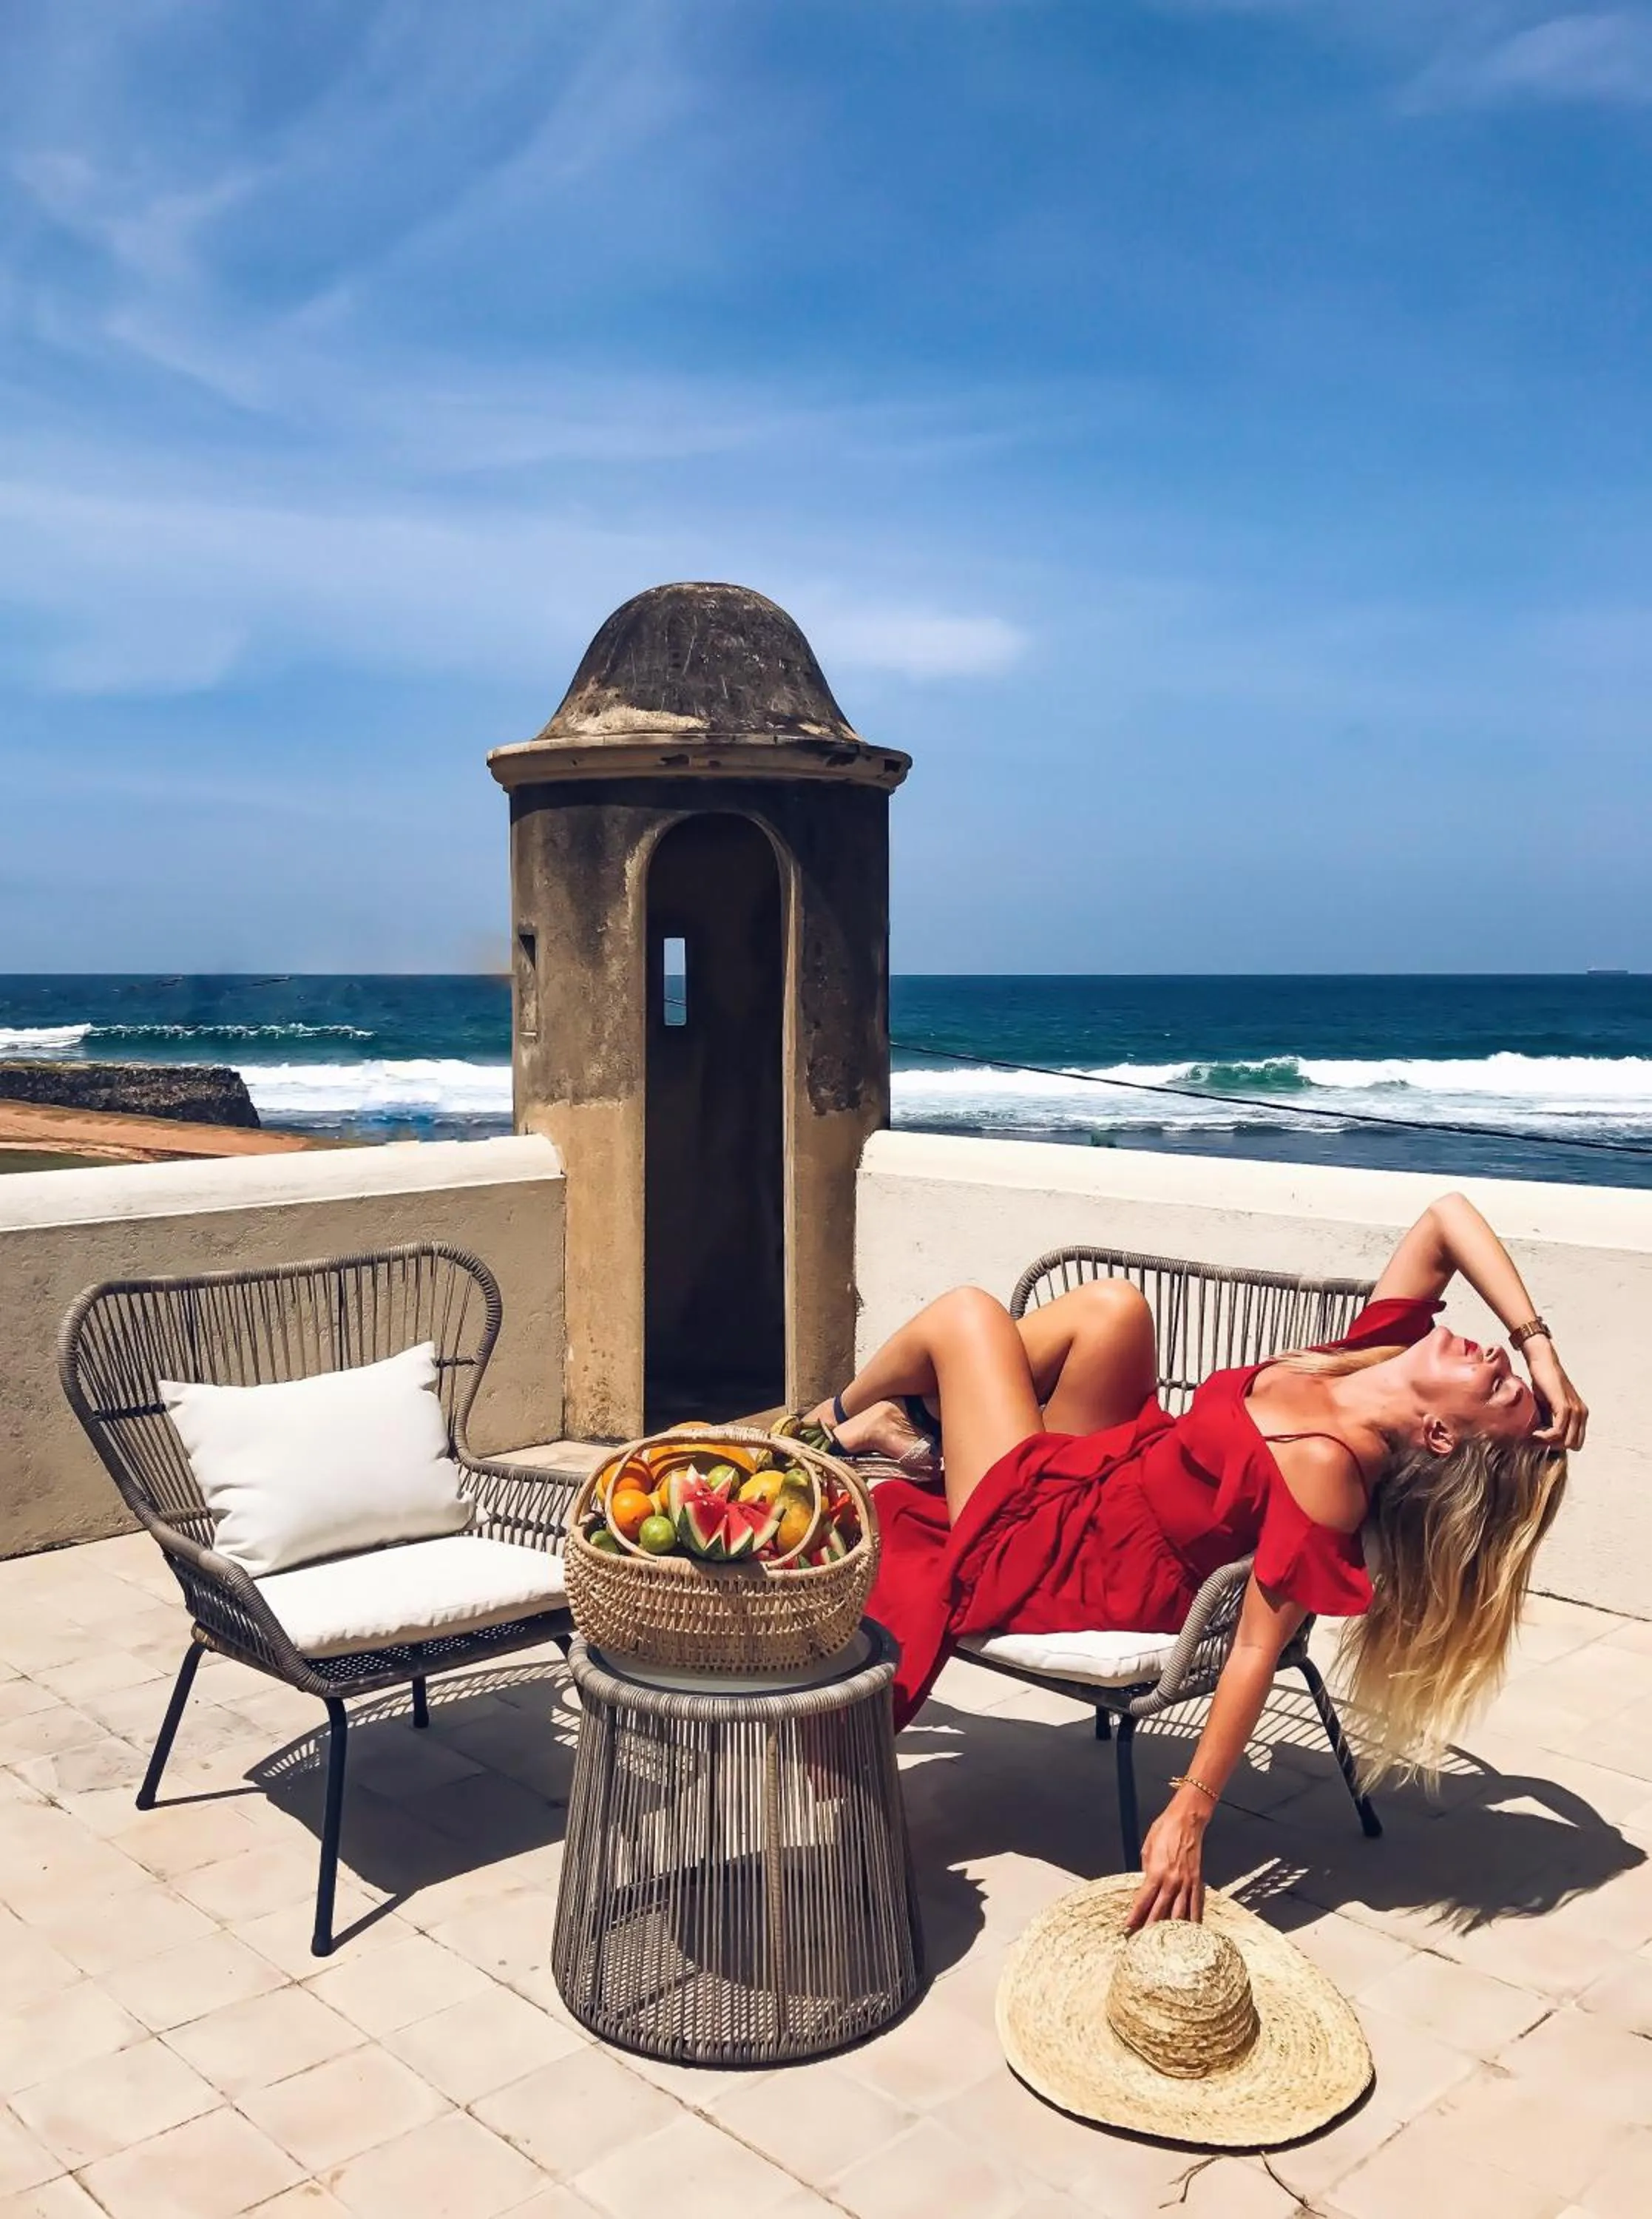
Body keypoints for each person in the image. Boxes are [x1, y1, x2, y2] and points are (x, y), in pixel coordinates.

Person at [806, 1192, 1585, 1928]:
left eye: (1500, 1387)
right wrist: (1538, 1349)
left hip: (1054, 1553)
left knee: (967, 1316)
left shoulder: (1326, 1467)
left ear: (1441, 1436)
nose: (1494, 1359)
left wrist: (1189, 1809)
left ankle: (826, 1427)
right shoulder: (1366, 1357)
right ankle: (910, 1434)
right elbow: (1445, 1219)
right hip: (1108, 1473)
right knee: (1114, 1308)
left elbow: (1255, 1643)